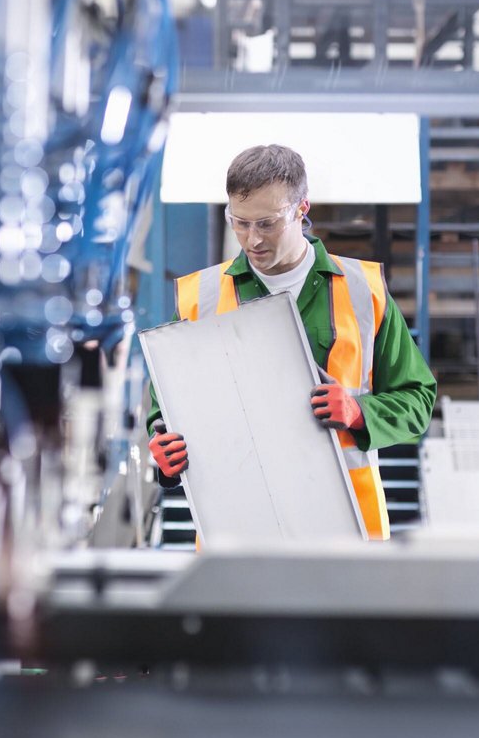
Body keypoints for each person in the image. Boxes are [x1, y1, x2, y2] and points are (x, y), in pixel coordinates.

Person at [146, 144, 435, 540]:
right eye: (239, 222)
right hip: (238, 529)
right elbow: (165, 410)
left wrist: (357, 411)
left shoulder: (362, 291)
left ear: (302, 209)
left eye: (267, 223)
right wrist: (164, 452)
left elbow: (417, 401)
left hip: (345, 527)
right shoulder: (201, 296)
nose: (252, 240)